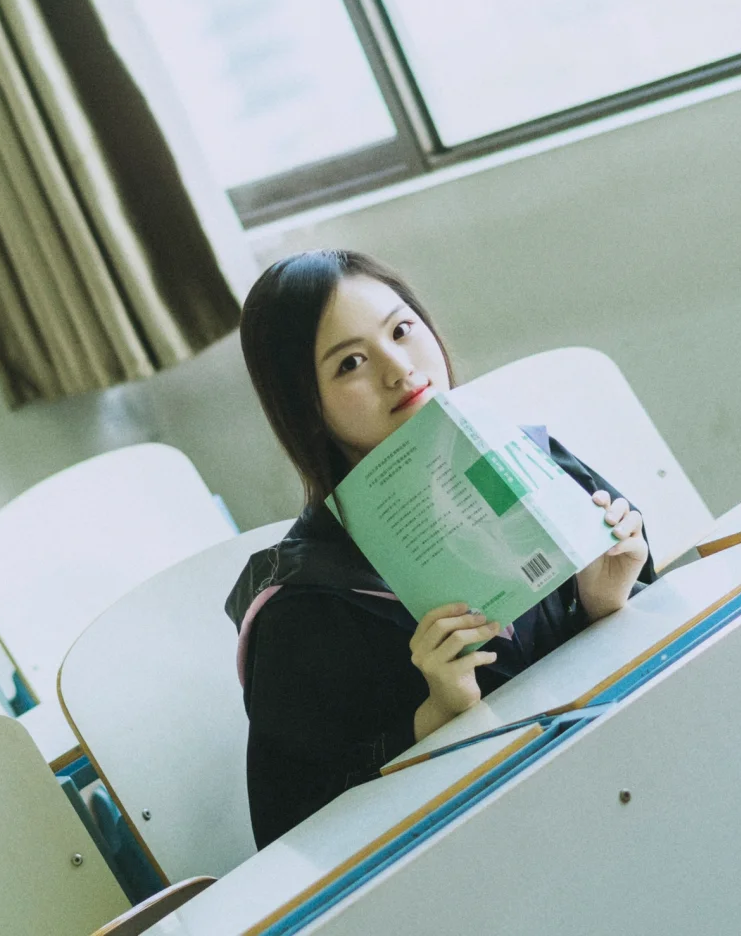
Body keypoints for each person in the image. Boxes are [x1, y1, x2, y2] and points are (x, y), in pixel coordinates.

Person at [225, 250, 654, 848]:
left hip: (630, 785)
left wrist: (603, 604)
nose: (399, 369)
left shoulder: (533, 462)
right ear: (305, 407)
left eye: (401, 329)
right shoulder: (302, 607)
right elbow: (294, 838)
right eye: (350, 363)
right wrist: (435, 716)